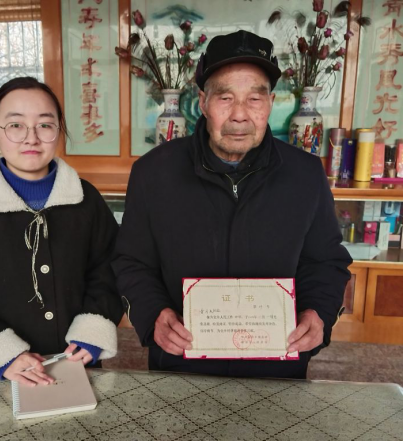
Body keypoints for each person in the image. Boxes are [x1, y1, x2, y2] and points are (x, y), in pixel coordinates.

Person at [112, 31, 352, 379]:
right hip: (181, 365)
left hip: (278, 368)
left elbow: (326, 261)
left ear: (270, 102)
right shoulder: (154, 173)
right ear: (202, 102)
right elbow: (131, 261)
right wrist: (153, 315)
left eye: (254, 99)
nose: (240, 115)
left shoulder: (305, 174)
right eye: (225, 98)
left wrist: (318, 313)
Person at [0, 77, 123, 425]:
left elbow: (109, 270)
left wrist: (92, 333)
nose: (31, 138)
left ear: (59, 130)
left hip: (75, 362)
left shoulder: (86, 200)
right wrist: (3, 356)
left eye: (45, 125)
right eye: (16, 125)